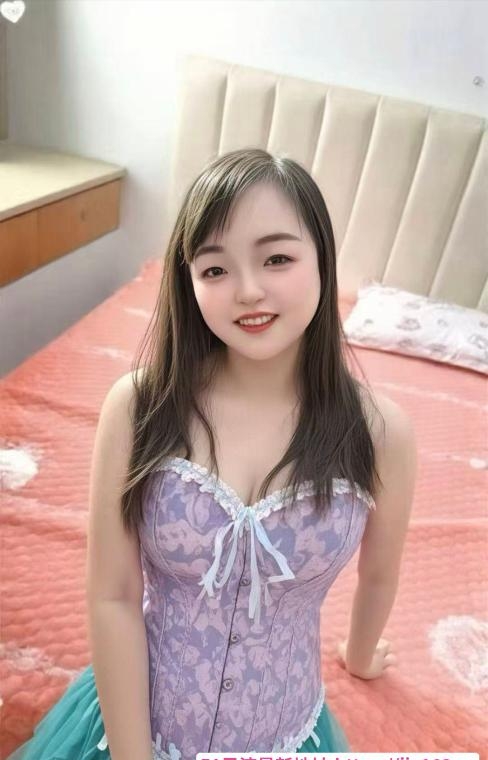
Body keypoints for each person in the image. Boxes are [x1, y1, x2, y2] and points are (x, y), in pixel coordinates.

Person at [7, 148, 417, 760]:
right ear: (189, 281)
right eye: (216, 269)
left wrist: (359, 658)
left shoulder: (380, 432)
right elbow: (113, 594)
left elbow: (379, 573)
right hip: (130, 730)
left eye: (276, 258)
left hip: (287, 732)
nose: (248, 291)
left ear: (323, 261)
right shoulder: (140, 406)